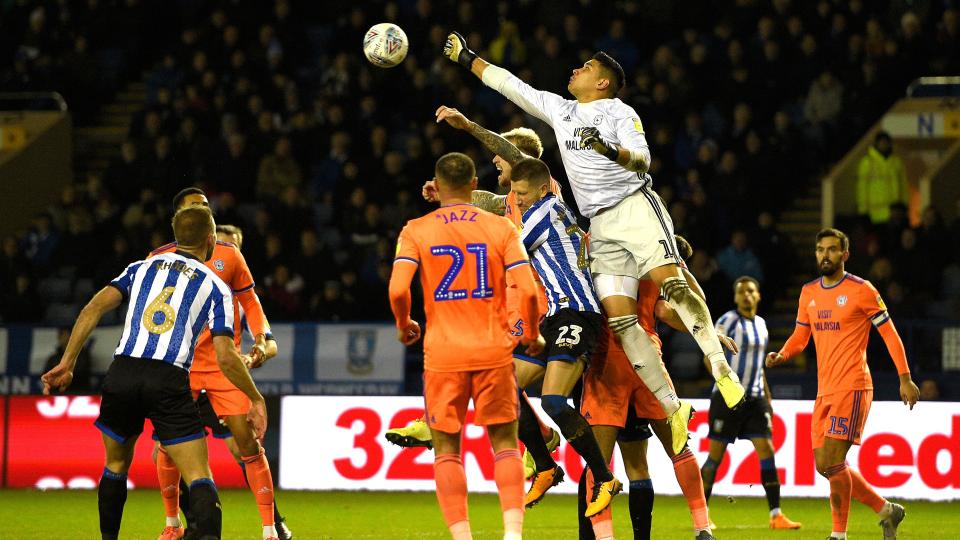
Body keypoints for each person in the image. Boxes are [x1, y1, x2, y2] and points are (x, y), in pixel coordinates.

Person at [443, 34, 745, 454]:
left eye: (585, 67)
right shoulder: (561, 110)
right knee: (621, 321)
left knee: (672, 283)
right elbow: (512, 86)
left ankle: (721, 369)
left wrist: (606, 148)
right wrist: (468, 58)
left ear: (602, 82)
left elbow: (642, 160)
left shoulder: (621, 113)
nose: (575, 69)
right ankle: (673, 407)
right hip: (600, 224)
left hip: (633, 206)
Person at [41, 206, 267, 540]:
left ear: (176, 237)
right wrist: (255, 397)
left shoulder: (139, 268)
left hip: (123, 372)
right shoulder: (215, 286)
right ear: (210, 240)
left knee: (115, 465)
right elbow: (226, 356)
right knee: (198, 474)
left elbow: (92, 308)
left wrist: (67, 362)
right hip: (168, 377)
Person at [387, 108, 562, 474]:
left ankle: (437, 422)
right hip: (514, 299)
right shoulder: (512, 201)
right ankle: (544, 438)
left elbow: (510, 155)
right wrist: (448, 191)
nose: (495, 159)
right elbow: (483, 201)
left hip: (541, 299)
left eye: (501, 155)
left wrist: (468, 126)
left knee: (495, 374)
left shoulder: (543, 188)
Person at [389, 152, 545, 540]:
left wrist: (404, 324)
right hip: (494, 351)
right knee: (505, 445)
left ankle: (463, 537)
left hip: (443, 354)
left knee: (447, 449)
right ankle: (513, 534)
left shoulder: (415, 229)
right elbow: (528, 290)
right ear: (474, 184)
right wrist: (531, 333)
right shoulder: (501, 228)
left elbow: (397, 289)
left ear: (437, 185)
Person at [150, 189, 290, 540]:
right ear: (178, 218)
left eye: (205, 205)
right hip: (179, 365)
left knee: (247, 444)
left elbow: (251, 303)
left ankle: (271, 528)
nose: (203, 210)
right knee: (167, 447)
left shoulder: (229, 255)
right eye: (194, 206)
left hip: (223, 366)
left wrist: (262, 338)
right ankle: (173, 524)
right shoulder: (159, 259)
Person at [766, 228, 920, 540]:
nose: (825, 255)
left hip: (853, 386)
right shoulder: (808, 292)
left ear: (845, 254)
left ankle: (839, 534)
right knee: (824, 465)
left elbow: (890, 334)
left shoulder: (862, 290)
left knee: (834, 461)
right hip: (824, 389)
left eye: (832, 249)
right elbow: (801, 336)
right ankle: (886, 510)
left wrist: (905, 378)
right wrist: (783, 354)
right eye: (820, 249)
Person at [579, 236, 727, 540]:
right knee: (678, 447)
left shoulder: (594, 246)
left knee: (599, 462)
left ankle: (604, 537)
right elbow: (669, 309)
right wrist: (707, 333)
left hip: (606, 362)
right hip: (648, 362)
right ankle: (702, 528)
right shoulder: (653, 256)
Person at [503, 158, 619, 516]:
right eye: (514, 193)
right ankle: (545, 466)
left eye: (523, 193)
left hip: (578, 313)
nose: (518, 200)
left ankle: (605, 478)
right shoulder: (552, 210)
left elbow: (507, 254)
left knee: (553, 401)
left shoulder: (544, 211)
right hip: (555, 315)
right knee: (504, 388)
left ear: (542, 189)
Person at [699, 277, 801, 530]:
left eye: (751, 291)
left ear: (758, 296)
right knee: (715, 456)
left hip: (755, 398)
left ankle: (776, 515)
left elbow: (758, 366)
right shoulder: (727, 321)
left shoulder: (762, 325)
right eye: (741, 291)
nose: (746, 295)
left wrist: (767, 396)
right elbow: (708, 355)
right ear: (735, 297)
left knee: (767, 450)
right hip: (727, 398)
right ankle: (701, 514)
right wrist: (724, 384)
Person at [856, 131, 909, 225]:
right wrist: (863, 211)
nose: (884, 145)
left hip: (895, 214)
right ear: (876, 144)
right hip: (874, 215)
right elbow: (862, 188)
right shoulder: (867, 162)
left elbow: (903, 185)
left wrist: (905, 205)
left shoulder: (897, 162)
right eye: (881, 142)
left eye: (886, 142)